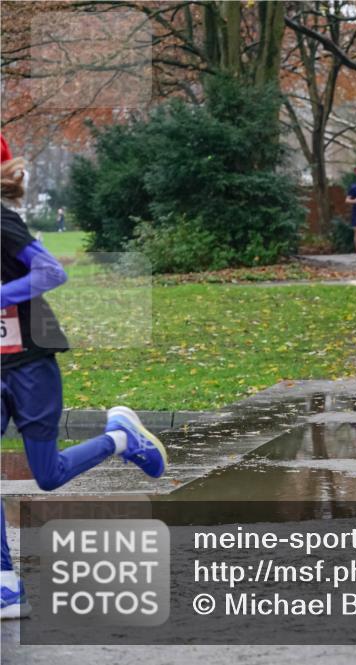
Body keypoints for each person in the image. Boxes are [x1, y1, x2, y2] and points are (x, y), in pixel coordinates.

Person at [0, 135, 168, 620]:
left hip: (29, 362)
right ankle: (7, 584)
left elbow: (52, 273)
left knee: (47, 475)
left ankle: (121, 439)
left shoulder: (3, 223)